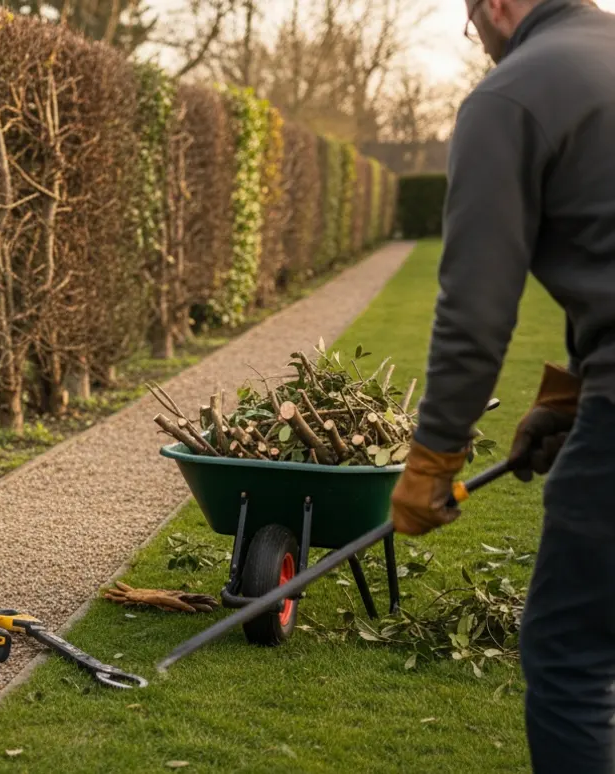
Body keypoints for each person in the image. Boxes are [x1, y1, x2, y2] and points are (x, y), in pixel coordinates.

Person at [388, 0, 615, 771]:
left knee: (571, 658)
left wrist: (434, 458)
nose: (475, 38)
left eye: (469, 20)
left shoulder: (511, 95)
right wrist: (570, 399)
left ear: (495, 6)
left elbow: (476, 309)